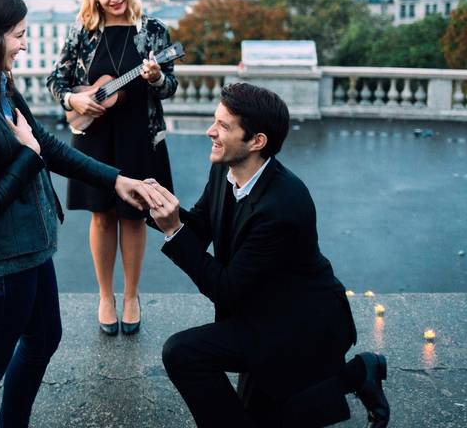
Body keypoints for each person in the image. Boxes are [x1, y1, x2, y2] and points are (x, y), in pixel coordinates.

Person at [0, 0, 156, 428]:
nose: (24, 44)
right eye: (17, 35)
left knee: (44, 337)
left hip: (29, 247)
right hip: (0, 261)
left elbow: (47, 145)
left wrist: (117, 180)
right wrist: (27, 155)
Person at [143, 83, 390, 428]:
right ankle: (360, 372)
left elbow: (226, 289)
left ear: (257, 141)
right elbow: (199, 227)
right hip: (259, 309)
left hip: (300, 326)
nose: (210, 131)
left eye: (224, 126)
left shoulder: (283, 204)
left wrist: (173, 230)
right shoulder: (225, 168)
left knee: (182, 353)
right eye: (215, 120)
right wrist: (148, 203)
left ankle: (357, 372)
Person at [46, 0, 177, 336]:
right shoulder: (83, 30)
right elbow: (58, 78)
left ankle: (132, 295)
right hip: (95, 135)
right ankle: (106, 296)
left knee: (134, 215)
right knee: (101, 215)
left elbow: (170, 85)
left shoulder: (153, 31)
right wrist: (74, 100)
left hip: (140, 134)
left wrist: (154, 78)